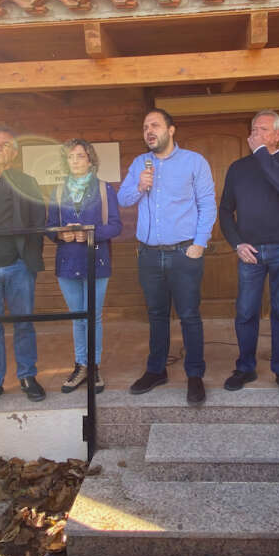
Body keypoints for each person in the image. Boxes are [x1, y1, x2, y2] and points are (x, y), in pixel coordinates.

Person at [117, 108, 216, 405]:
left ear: (171, 130)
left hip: (184, 253)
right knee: (156, 315)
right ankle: (156, 370)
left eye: (155, 125)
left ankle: (194, 375)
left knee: (189, 316)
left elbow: (207, 204)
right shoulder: (139, 164)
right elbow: (123, 199)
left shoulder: (194, 162)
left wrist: (199, 244)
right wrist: (140, 186)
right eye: (145, 127)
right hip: (149, 255)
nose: (149, 131)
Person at [219, 110, 279, 398]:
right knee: (246, 312)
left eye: (264, 129)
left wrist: (260, 153)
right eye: (254, 129)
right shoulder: (238, 168)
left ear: (277, 135)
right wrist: (237, 244)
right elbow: (225, 211)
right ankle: (245, 367)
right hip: (251, 251)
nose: (257, 133)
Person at [0, 125, 47, 410]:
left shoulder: (26, 182)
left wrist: (29, 258)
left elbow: (39, 220)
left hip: (18, 266)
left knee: (24, 324)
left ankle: (27, 376)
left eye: (5, 144)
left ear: (14, 152)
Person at [46, 140, 123, 394]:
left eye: (80, 156)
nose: (75, 161)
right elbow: (49, 227)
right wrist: (61, 234)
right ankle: (81, 365)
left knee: (93, 316)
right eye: (71, 157)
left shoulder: (104, 189)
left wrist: (90, 233)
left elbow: (115, 226)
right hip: (67, 263)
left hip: (96, 261)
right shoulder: (58, 191)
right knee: (77, 317)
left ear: (90, 160)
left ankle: (94, 366)